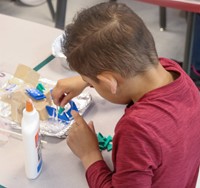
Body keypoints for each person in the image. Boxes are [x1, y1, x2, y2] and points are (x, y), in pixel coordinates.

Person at [51, 2, 200, 187]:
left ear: (109, 82)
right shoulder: (173, 70)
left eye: (92, 83)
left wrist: (89, 155)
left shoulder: (137, 130)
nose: (89, 84)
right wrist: (87, 80)